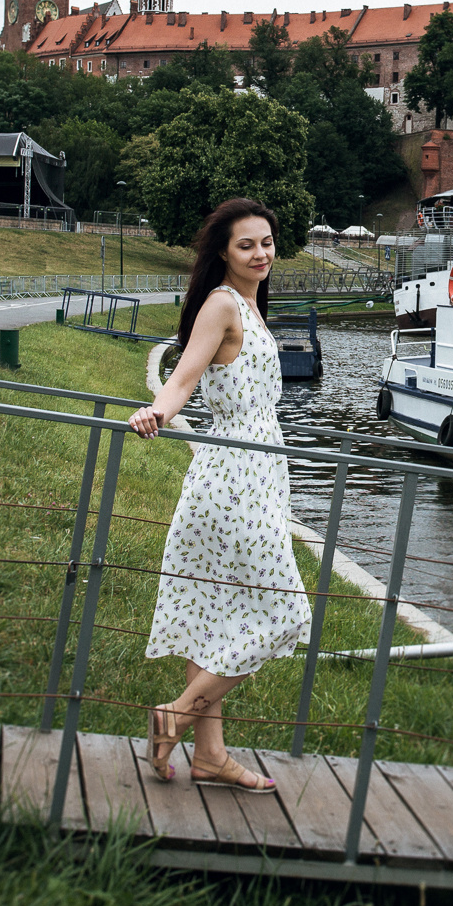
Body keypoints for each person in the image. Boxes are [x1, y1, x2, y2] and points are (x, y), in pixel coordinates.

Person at [129, 197, 309, 793]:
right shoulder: (223, 304)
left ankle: (210, 756)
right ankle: (175, 717)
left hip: (252, 473)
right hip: (235, 479)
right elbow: (184, 375)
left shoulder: (252, 305)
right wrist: (157, 412)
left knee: (215, 614)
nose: (260, 254)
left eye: (266, 243)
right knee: (286, 613)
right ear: (224, 253)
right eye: (246, 245)